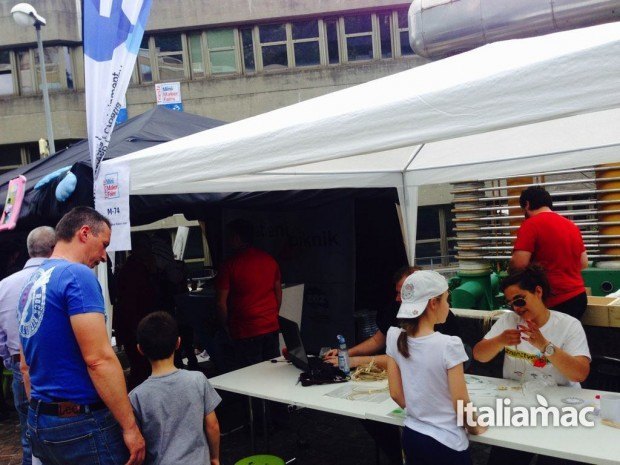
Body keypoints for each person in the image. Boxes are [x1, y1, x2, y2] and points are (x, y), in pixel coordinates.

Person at [18, 206, 145, 465]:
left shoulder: (33, 282)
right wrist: (130, 427)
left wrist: (46, 414)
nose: (104, 256)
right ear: (85, 233)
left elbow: (25, 365)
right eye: (103, 245)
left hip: (41, 420)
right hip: (80, 424)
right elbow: (98, 359)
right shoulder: (77, 275)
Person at [473, 264, 590, 465]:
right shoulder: (508, 321)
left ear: (538, 291)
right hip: (518, 407)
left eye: (519, 300)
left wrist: (545, 346)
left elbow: (579, 373)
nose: (517, 308)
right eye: (510, 303)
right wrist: (499, 341)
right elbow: (479, 355)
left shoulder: (568, 325)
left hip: (561, 409)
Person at [386, 270, 486, 465]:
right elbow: (461, 402)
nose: (449, 306)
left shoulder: (394, 337)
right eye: (447, 300)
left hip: (412, 436)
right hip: (446, 443)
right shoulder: (449, 344)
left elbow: (396, 394)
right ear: (433, 303)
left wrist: (423, 411)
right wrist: (476, 428)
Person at [129, 311, 221, 465]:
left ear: (140, 349)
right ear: (178, 343)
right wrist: (215, 458)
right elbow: (212, 425)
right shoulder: (197, 379)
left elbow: (138, 443)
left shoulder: (136, 396)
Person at [0, 226, 56, 465]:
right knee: (62, 435)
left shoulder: (4, 286)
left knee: (28, 436)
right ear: (54, 248)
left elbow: (1, 338)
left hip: (17, 368)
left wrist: (12, 359)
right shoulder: (60, 277)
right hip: (54, 366)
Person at [511, 185, 588, 320]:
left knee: (544, 341)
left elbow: (519, 264)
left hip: (553, 300)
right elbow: (583, 263)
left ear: (527, 204)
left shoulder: (530, 225)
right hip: (578, 297)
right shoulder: (571, 225)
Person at [216, 219, 282, 369]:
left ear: (237, 238)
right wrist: (272, 315)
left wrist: (225, 326)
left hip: (245, 331)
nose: (227, 240)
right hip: (270, 326)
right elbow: (278, 293)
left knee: (250, 376)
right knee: (273, 373)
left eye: (229, 236)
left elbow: (221, 303)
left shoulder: (229, 265)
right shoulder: (269, 260)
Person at [114, 233, 160, 389]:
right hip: (136, 326)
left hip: (138, 324)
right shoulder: (133, 270)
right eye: (146, 247)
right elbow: (132, 303)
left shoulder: (138, 267)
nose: (150, 250)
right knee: (141, 368)